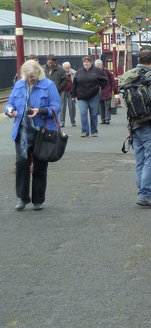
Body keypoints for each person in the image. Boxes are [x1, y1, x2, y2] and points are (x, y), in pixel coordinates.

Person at [5, 60, 60, 211]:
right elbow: (10, 103)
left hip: (41, 132)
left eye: (33, 75)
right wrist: (9, 110)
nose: (30, 79)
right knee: (22, 164)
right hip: (22, 132)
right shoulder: (19, 85)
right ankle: (23, 198)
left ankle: (38, 200)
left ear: (38, 72)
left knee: (40, 166)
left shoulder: (48, 85)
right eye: (28, 76)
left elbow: (56, 106)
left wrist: (41, 111)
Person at [119, 49, 151, 209]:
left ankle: (142, 193)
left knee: (140, 161)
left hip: (135, 123)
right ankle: (145, 195)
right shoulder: (150, 75)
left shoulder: (130, 74)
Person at [72, 55, 108, 137]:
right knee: (83, 114)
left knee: (93, 114)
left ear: (91, 62)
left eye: (88, 61)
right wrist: (73, 94)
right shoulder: (79, 72)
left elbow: (105, 80)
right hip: (81, 96)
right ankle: (85, 131)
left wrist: (100, 87)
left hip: (94, 95)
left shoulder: (97, 71)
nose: (86, 63)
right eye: (84, 61)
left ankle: (94, 131)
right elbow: (74, 84)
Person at [95, 59, 117, 124]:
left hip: (108, 89)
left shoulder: (107, 71)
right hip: (99, 91)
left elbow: (112, 79)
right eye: (98, 65)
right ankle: (103, 119)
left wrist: (114, 88)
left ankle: (107, 119)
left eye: (100, 65)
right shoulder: (94, 72)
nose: (99, 66)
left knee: (108, 105)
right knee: (101, 106)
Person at [60, 61, 77, 127]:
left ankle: (73, 121)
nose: (67, 70)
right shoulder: (60, 73)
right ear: (63, 68)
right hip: (63, 91)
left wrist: (75, 92)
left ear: (70, 67)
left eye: (68, 68)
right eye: (65, 68)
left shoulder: (74, 72)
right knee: (62, 107)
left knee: (72, 106)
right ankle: (62, 122)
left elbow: (76, 82)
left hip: (71, 91)